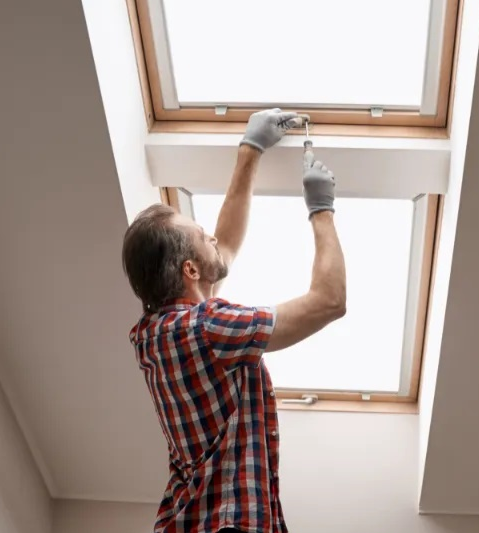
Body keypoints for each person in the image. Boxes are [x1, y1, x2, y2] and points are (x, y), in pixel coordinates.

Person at [122, 108, 347, 533]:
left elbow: (220, 249)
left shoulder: (153, 336)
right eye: (200, 233)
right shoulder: (207, 326)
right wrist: (323, 210)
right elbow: (329, 302)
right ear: (189, 271)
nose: (211, 235)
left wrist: (252, 149)